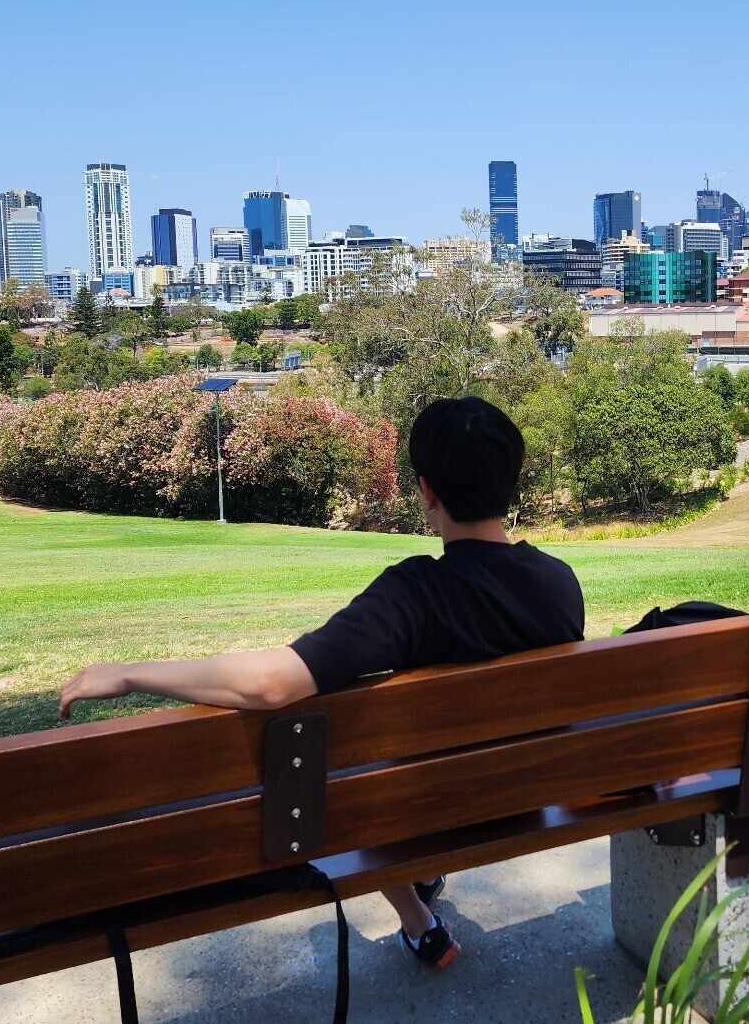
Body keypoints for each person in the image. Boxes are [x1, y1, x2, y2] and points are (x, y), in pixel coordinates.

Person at [59, 396, 585, 971]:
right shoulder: (559, 583)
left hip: (423, 812)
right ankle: (423, 896)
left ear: (427, 490)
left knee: (343, 780)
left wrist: (130, 673)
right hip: (524, 797)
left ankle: (418, 920)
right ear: (509, 482)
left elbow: (271, 685)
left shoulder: (412, 596)